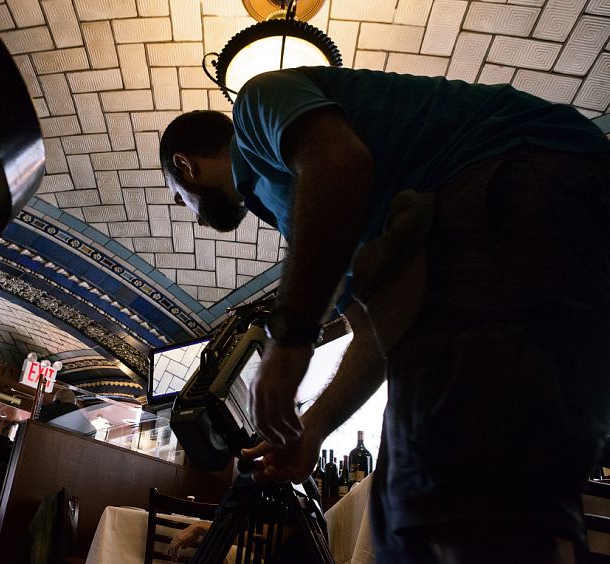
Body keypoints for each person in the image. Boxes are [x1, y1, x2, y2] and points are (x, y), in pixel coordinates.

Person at [159, 66, 610, 563]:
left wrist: (290, 340)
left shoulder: (256, 104)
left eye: (179, 199)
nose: (190, 212)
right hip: (507, 222)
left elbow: (339, 161)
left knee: (466, 499)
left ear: (185, 166)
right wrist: (313, 430)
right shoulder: (298, 202)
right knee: (411, 512)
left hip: (512, 178)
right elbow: (374, 331)